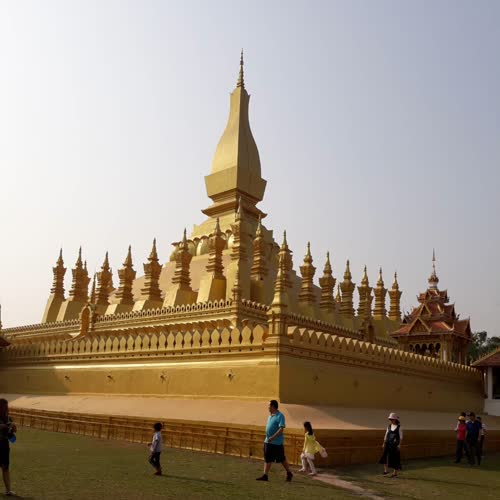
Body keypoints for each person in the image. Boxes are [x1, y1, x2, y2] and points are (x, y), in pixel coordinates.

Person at [256, 400, 293, 482]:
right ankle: (265, 475)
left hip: (276, 443)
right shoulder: (270, 416)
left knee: (281, 459)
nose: (268, 407)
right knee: (267, 458)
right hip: (268, 441)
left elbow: (281, 429)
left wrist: (272, 438)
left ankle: (289, 472)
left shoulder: (280, 416)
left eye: (269, 406)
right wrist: (268, 438)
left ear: (273, 406)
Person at [0, 398, 16, 496]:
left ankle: (8, 490)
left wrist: (13, 428)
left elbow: (13, 434)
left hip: (4, 446)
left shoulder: (9, 418)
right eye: (4, 407)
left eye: (6, 406)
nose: (6, 408)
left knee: (5, 468)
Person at [379, 412, 402, 477]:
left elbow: (401, 437)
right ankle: (385, 471)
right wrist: (384, 443)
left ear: (395, 419)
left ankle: (395, 473)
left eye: (392, 419)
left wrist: (399, 444)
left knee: (395, 457)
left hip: (395, 444)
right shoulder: (389, 426)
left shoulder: (399, 427)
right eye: (390, 419)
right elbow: (386, 435)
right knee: (385, 456)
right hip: (387, 443)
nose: (390, 420)